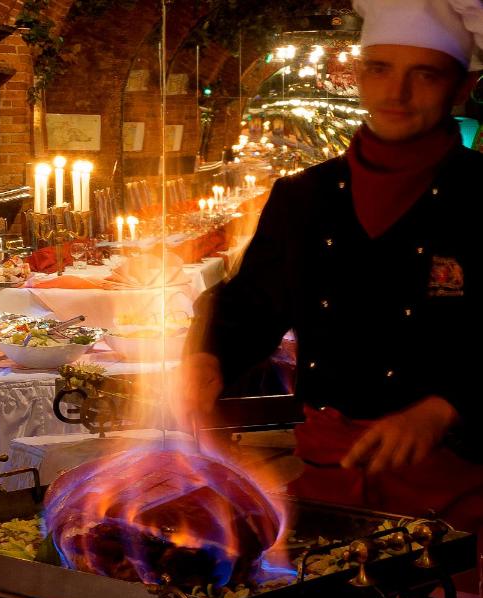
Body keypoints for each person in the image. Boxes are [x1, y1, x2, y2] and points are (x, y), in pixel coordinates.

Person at [181, 0, 483, 543]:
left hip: (462, 492)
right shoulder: (304, 196)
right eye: (380, 69)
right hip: (330, 483)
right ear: (358, 75)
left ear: (463, 86)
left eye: (425, 74)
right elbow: (249, 305)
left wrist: (446, 409)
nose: (396, 93)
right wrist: (209, 354)